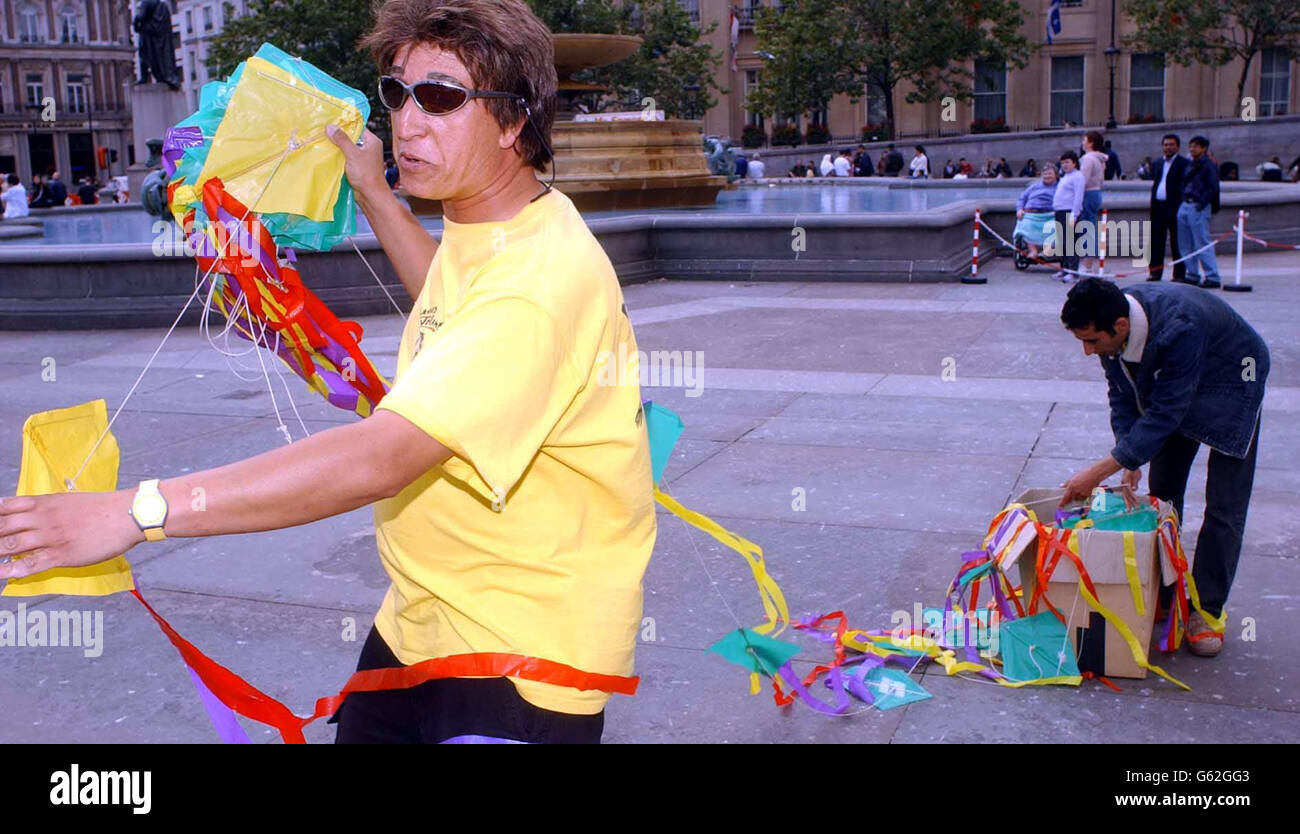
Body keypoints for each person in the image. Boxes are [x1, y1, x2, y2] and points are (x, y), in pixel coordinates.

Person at [1, 0, 656, 745]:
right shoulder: (508, 227)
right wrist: (375, 190)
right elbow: (451, 299)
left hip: (523, 659)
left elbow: (381, 457)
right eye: (396, 92)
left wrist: (134, 512)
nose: (408, 123)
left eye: (441, 98)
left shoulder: (537, 287)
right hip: (422, 623)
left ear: (514, 122)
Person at [1059, 277, 1268, 657]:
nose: (1088, 352)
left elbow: (1166, 413)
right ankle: (1165, 592)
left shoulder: (1178, 328)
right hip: (1181, 381)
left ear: (1119, 327)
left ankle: (1206, 611)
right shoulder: (1114, 324)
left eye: (1092, 341)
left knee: (1225, 506)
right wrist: (1128, 454)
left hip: (1235, 380)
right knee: (1163, 497)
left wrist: (1098, 472)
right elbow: (1121, 396)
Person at [1178, 135, 1222, 289]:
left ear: (1204, 149)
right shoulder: (1191, 164)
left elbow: (1213, 187)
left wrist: (1201, 203)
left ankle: (1212, 276)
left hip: (1198, 206)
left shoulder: (1208, 165)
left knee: (1202, 241)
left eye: (1196, 146)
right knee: (1185, 242)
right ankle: (1192, 273)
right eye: (1191, 146)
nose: (1192, 149)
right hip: (1186, 204)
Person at [1148, 133, 1188, 283]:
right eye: (1165, 145)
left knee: (1177, 241)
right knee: (1156, 241)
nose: (1168, 147)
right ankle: (1155, 273)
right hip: (1158, 206)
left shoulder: (1184, 164)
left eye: (1171, 145)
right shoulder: (1158, 163)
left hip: (1175, 206)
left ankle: (1179, 274)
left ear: (1177, 147)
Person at [1051, 150, 1085, 281]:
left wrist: (1074, 215)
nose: (1064, 165)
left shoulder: (1078, 177)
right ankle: (1063, 268)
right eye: (1062, 163)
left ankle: (1072, 271)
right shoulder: (1064, 177)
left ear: (1074, 163)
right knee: (1062, 243)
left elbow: (1078, 196)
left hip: (1069, 212)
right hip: (1060, 212)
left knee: (1071, 242)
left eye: (1067, 162)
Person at [1078, 131, 1108, 275]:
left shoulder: (1088, 159)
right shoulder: (1099, 159)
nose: (1082, 142)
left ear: (1090, 143)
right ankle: (1087, 263)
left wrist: (1076, 197)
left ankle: (1087, 265)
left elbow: (1082, 181)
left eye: (1084, 140)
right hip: (1096, 193)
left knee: (1087, 229)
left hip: (1088, 194)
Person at [1014, 163, 1058, 259]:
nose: (1047, 176)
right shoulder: (1034, 186)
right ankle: (1032, 250)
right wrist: (1020, 209)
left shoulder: (1060, 187)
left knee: (1058, 228)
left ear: (1056, 175)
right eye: (1045, 174)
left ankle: (1048, 251)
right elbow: (1022, 198)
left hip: (1050, 214)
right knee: (1025, 225)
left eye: (1050, 173)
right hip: (1031, 214)